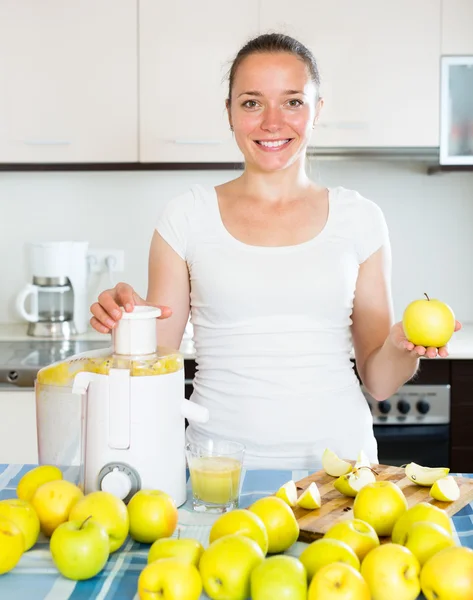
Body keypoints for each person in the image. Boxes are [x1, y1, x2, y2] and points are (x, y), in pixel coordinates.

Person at [90, 33, 461, 470]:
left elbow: (379, 382)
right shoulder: (186, 217)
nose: (271, 122)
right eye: (251, 102)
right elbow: (155, 367)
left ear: (317, 111)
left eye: (292, 102)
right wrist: (125, 320)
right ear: (228, 113)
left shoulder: (359, 218)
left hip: (341, 470)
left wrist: (401, 346)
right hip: (216, 470)